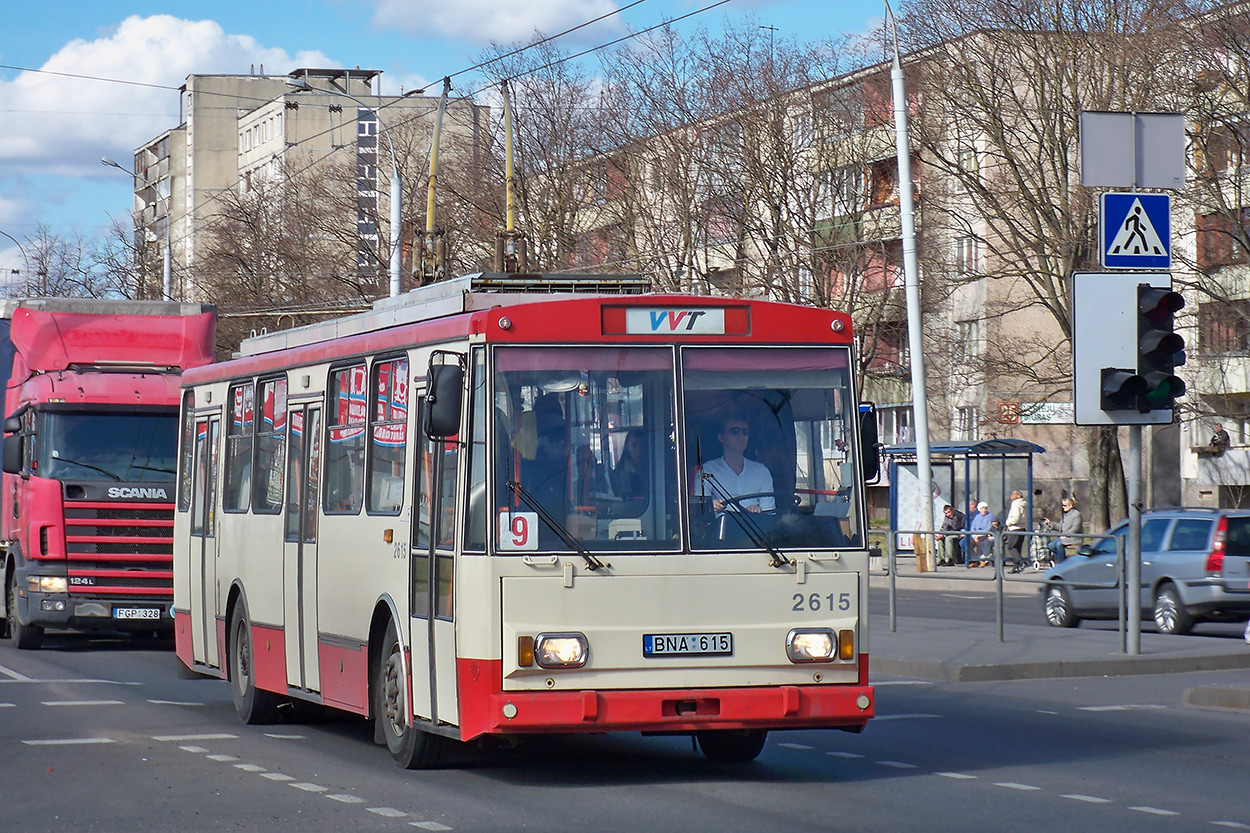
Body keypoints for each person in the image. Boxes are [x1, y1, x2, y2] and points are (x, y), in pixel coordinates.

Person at [700, 416, 774, 513]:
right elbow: (699, 510)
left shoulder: (762, 471)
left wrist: (757, 513)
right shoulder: (707, 471)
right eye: (735, 431)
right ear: (721, 437)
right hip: (720, 527)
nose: (741, 436)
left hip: (754, 528)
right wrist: (710, 507)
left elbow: (769, 513)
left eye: (745, 432)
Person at [613, 428, 649, 504]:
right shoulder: (619, 473)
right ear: (627, 448)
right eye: (634, 445)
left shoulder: (654, 470)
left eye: (642, 445)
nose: (639, 449)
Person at [1044, 497, 1083, 564]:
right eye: (1063, 505)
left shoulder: (1076, 514)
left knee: (1059, 544)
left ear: (1070, 506)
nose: (1063, 507)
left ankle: (1061, 563)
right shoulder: (1065, 515)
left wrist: (1066, 535)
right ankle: (1064, 560)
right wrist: (1051, 524)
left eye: (1065, 505)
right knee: (1051, 545)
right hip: (1063, 537)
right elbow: (1060, 527)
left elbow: (1076, 528)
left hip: (1073, 537)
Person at [1004, 489, 1028, 573]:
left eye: (1013, 493)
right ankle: (1016, 567)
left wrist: (1008, 522)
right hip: (1022, 528)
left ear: (1018, 495)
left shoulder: (1016, 504)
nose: (1011, 495)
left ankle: (1021, 562)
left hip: (1014, 528)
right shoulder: (1023, 504)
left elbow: (1015, 518)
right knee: (1017, 548)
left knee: (1012, 547)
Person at [969, 501, 998, 567]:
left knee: (980, 542)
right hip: (975, 535)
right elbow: (972, 527)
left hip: (984, 535)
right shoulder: (977, 517)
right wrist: (974, 535)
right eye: (982, 508)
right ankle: (975, 559)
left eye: (985, 508)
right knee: (967, 543)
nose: (984, 510)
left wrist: (979, 535)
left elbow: (988, 528)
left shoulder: (990, 517)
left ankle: (982, 560)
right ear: (979, 509)